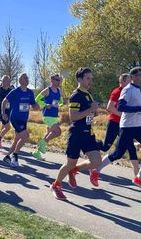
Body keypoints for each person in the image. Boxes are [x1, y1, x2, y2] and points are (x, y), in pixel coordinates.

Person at [94, 67, 141, 192]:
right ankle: (95, 171)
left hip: (138, 127)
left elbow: (137, 107)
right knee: (117, 154)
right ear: (132, 77)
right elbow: (121, 106)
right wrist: (139, 109)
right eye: (139, 75)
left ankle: (139, 177)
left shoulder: (137, 89)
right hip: (127, 128)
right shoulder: (127, 89)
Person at [50, 68, 102, 201]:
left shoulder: (88, 94)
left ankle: (73, 171)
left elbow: (89, 114)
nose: (90, 81)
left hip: (88, 133)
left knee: (96, 161)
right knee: (70, 163)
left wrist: (94, 112)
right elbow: (73, 117)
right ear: (79, 80)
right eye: (87, 78)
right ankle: (56, 185)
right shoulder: (76, 95)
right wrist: (91, 109)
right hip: (77, 134)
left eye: (91, 78)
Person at [98, 74, 140, 176]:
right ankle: (89, 143)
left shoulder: (131, 92)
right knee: (105, 147)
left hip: (124, 125)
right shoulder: (117, 92)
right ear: (123, 82)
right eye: (129, 81)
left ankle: (138, 176)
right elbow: (109, 107)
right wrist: (123, 114)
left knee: (131, 149)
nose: (132, 83)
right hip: (114, 123)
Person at [2, 74, 40, 167]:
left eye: (27, 78)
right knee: (25, 136)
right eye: (25, 78)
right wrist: (3, 113)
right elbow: (4, 101)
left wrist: (37, 106)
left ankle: (7, 157)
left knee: (17, 139)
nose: (27, 80)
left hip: (24, 119)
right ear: (20, 81)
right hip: (15, 118)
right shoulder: (15, 92)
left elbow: (33, 104)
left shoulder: (30, 92)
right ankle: (15, 155)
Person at [32, 74, 64, 160]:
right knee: (58, 132)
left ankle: (37, 152)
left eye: (59, 80)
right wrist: (46, 105)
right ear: (52, 80)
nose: (58, 81)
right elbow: (36, 100)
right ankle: (42, 144)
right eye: (57, 80)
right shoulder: (47, 90)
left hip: (54, 115)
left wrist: (58, 104)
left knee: (49, 133)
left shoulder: (59, 91)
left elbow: (61, 102)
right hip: (47, 115)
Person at [0, 75, 14, 150]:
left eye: (7, 81)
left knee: (3, 127)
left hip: (9, 111)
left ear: (10, 82)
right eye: (4, 81)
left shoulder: (11, 91)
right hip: (1, 111)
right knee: (8, 127)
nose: (6, 82)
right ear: (1, 81)